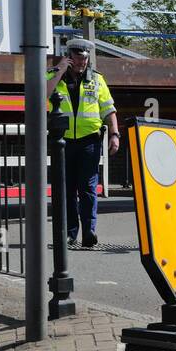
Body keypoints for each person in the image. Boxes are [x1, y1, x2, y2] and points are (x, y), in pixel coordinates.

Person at [46, 38, 120, 248]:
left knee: (87, 188)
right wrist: (59, 70)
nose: (81, 64)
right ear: (69, 57)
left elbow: (109, 109)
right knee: (67, 189)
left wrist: (115, 134)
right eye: (78, 60)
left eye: (84, 60)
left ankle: (89, 231)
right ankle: (70, 234)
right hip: (63, 141)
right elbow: (44, 93)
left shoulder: (97, 80)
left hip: (89, 141)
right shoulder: (54, 75)